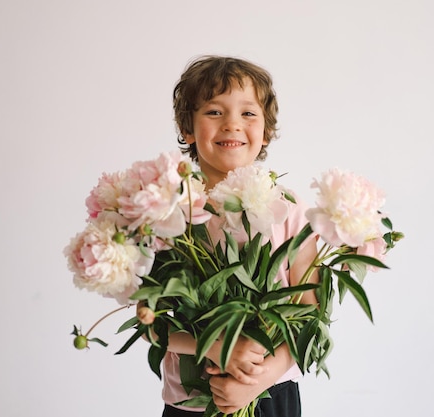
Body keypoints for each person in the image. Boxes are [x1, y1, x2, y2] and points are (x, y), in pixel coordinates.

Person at [161, 55, 319, 417]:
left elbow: (310, 312)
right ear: (187, 129)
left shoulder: (290, 210)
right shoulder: (169, 215)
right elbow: (149, 324)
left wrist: (262, 377)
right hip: (191, 401)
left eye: (248, 113)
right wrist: (216, 347)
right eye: (214, 112)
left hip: (271, 394)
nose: (232, 124)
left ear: (265, 132)